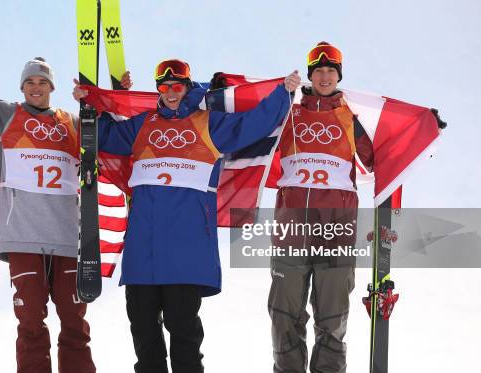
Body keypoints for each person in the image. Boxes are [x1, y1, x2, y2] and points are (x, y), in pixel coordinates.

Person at [0, 27, 131, 373]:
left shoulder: (74, 124)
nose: (36, 87)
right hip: (22, 236)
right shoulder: (4, 115)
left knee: (75, 324)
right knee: (30, 322)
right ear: (22, 87)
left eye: (42, 82)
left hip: (67, 240)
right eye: (30, 82)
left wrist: (116, 93)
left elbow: (113, 132)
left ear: (52, 88)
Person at [74, 59, 298, 373]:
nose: (170, 93)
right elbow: (104, 135)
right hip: (143, 252)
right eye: (164, 87)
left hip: (186, 251)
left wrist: (282, 94)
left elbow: (252, 124)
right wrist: (91, 103)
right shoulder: (144, 124)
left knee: (184, 336)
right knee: (144, 336)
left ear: (188, 87)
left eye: (177, 86)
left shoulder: (209, 123)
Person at [268, 42, 374, 373]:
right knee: (284, 314)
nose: (325, 76)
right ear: (310, 76)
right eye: (319, 71)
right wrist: (217, 95)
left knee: (332, 316)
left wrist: (421, 130)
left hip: (337, 229)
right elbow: (250, 128)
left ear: (338, 75)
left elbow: (379, 158)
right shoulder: (289, 114)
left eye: (331, 71)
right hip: (291, 229)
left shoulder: (350, 117)